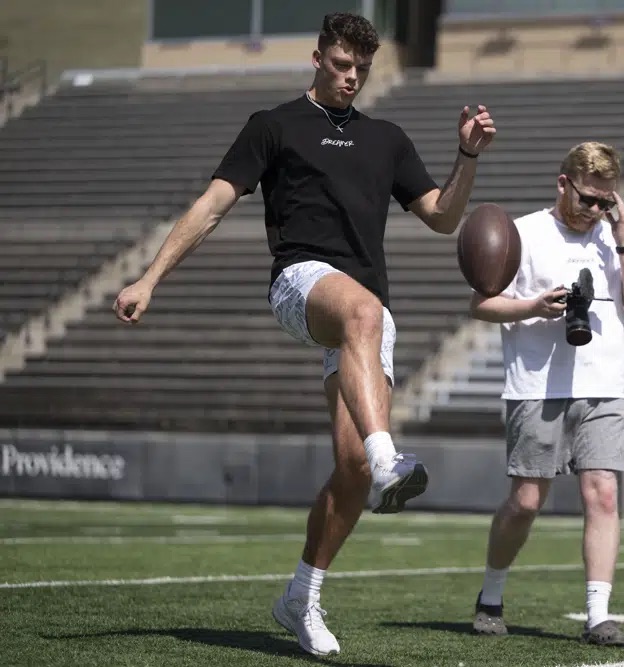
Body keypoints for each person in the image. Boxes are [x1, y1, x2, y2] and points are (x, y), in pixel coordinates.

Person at [112, 12, 495, 657]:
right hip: (301, 282)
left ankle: (301, 594)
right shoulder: (273, 126)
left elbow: (442, 217)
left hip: (362, 318)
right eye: (343, 66)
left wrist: (467, 157)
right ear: (317, 58)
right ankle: (387, 462)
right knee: (363, 318)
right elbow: (210, 206)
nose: (352, 78)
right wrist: (149, 279)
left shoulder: (388, 138)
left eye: (363, 70)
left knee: (346, 471)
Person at [467, 141, 624, 647]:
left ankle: (598, 615)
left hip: (601, 389)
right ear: (563, 184)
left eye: (606, 201)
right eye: (589, 199)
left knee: (604, 493)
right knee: (526, 501)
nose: (596, 210)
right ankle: (491, 593)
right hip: (536, 387)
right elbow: (480, 306)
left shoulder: (613, 239)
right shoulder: (522, 234)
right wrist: (534, 306)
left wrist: (623, 239)